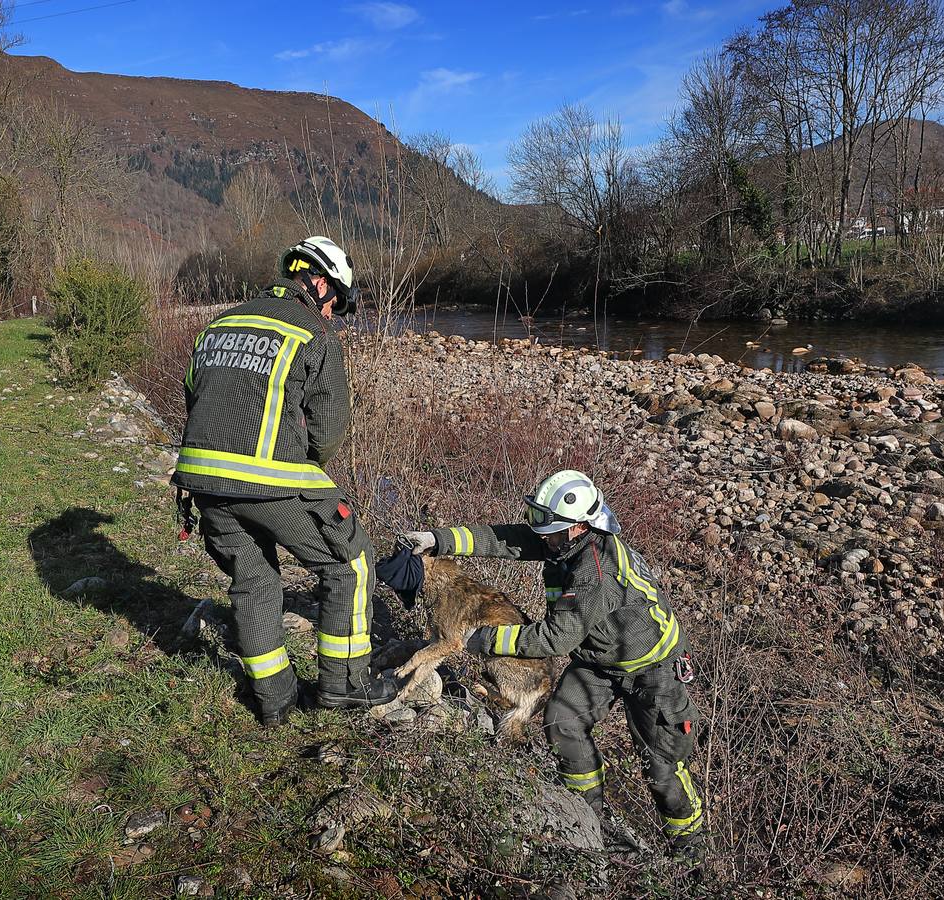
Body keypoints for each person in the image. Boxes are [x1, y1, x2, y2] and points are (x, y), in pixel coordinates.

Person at [402, 471, 706, 861]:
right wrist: (437, 539)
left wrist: (487, 639)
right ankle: (590, 822)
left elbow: (557, 637)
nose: (542, 535)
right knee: (562, 722)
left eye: (550, 528)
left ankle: (690, 853)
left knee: (662, 767)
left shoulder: (596, 572)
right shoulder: (564, 543)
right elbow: (504, 539)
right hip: (598, 660)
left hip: (653, 670)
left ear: (578, 526)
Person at [173, 236, 397, 726]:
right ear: (320, 283)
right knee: (352, 560)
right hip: (268, 479)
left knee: (253, 579)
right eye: (337, 302)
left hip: (203, 482)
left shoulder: (219, 324)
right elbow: (328, 431)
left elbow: (195, 396)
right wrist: (304, 466)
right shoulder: (313, 333)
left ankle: (275, 698)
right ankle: (344, 684)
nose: (334, 314)